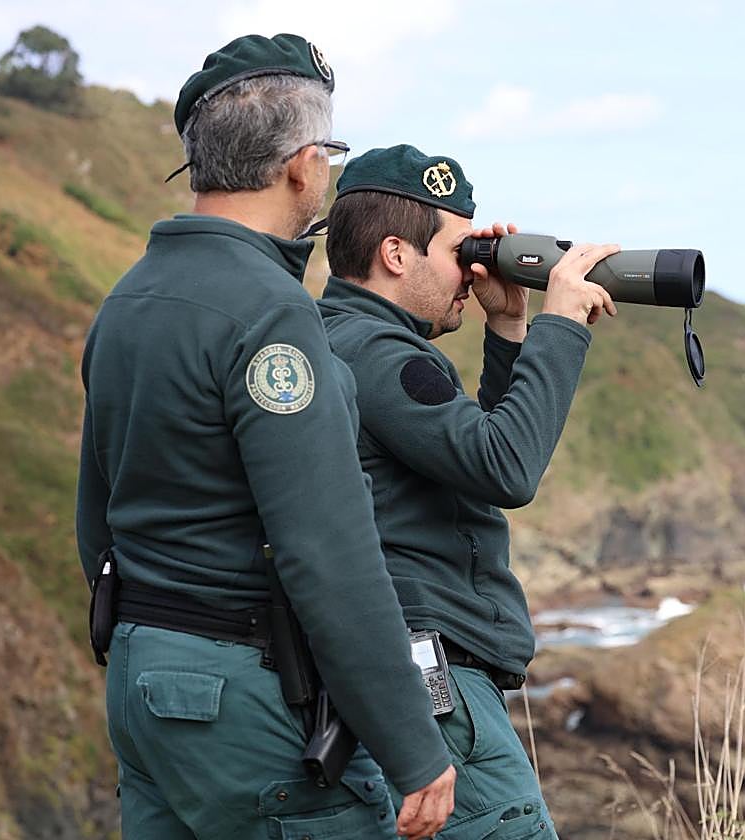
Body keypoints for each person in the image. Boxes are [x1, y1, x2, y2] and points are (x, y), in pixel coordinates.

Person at [75, 37, 454, 840]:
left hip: (144, 680)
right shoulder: (272, 312)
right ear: (303, 165)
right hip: (241, 689)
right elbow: (327, 550)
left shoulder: (128, 298)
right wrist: (414, 745)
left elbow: (95, 517)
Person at [316, 144, 618, 838]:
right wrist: (561, 325)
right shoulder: (379, 356)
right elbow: (506, 467)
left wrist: (508, 329)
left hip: (397, 665)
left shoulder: (337, 334)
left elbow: (468, 458)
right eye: (460, 249)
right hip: (437, 677)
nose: (474, 267)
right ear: (396, 253)